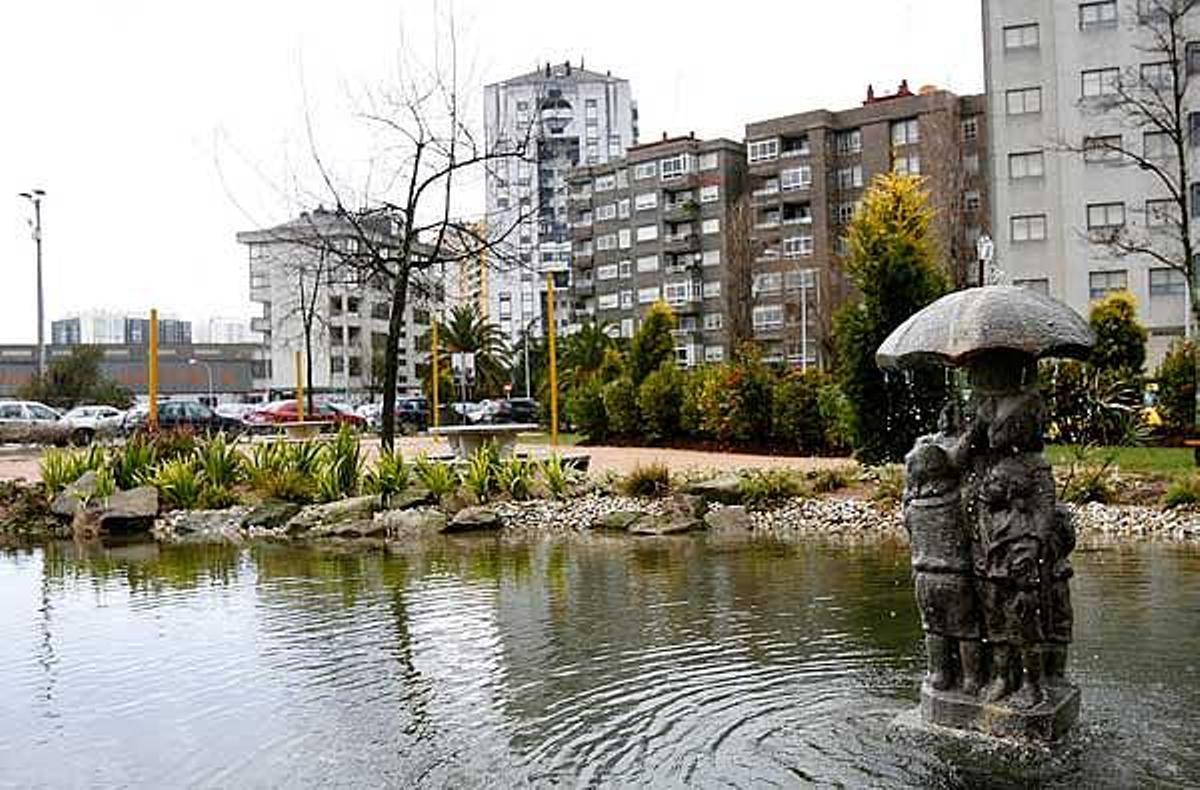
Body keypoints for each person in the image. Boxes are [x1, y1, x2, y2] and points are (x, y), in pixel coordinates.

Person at [903, 404, 983, 695]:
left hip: (923, 576)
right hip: (956, 575)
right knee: (967, 630)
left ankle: (939, 676)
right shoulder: (957, 502)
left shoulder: (913, 507)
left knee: (933, 628)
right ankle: (973, 680)